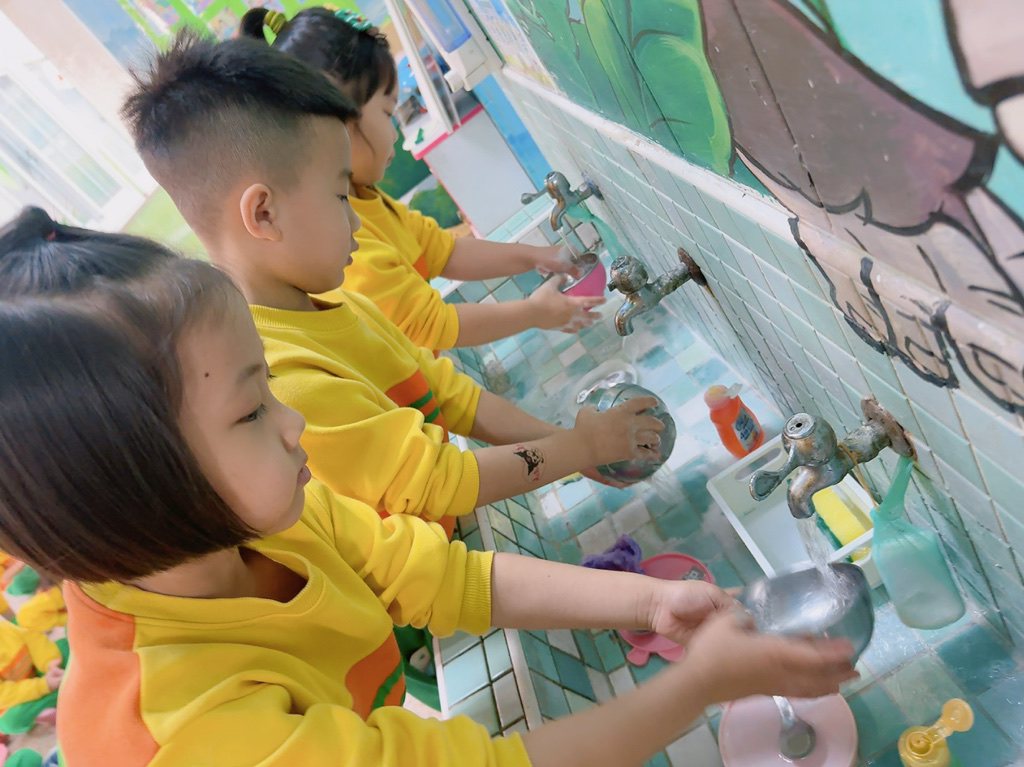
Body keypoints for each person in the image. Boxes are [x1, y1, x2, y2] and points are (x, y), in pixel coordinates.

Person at [0, 232, 856, 764]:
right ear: (138, 487)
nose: (295, 424)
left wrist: (649, 601)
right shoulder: (185, 733)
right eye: (253, 410)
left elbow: (452, 580)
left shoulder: (261, 521)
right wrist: (697, 685)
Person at [120, 32, 662, 537]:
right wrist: (580, 445)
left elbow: (450, 394)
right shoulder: (285, 381)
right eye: (339, 196)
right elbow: (443, 482)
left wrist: (574, 445)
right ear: (264, 213)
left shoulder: (338, 304)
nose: (356, 220)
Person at [239, 6, 603, 351]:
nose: (396, 131)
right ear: (340, 126)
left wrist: (540, 256)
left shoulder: (365, 196)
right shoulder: (343, 238)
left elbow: (444, 251)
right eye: (388, 112)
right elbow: (429, 325)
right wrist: (533, 312)